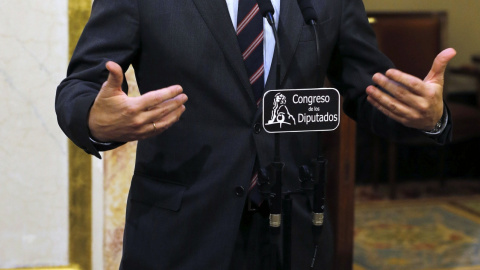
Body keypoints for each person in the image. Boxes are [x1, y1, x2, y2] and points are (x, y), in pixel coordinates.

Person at [55, 0, 455, 269]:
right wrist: (93, 119)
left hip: (298, 231)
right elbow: (77, 88)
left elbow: (370, 91)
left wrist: (427, 116)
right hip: (180, 232)